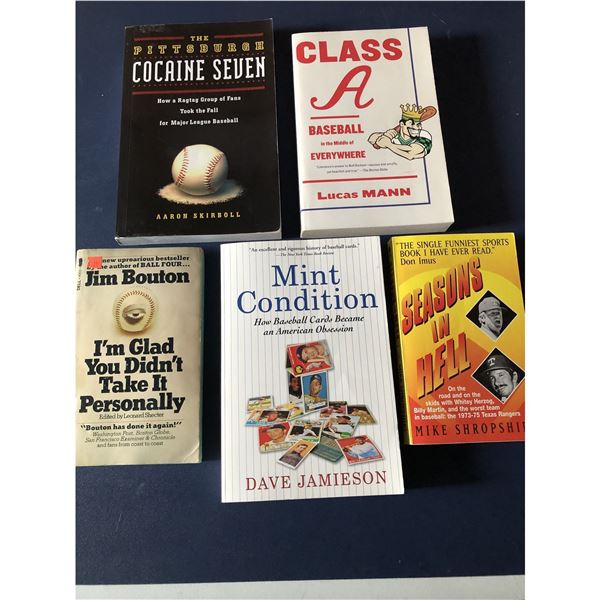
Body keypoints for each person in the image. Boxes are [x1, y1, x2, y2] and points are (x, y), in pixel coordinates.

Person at [368, 104, 437, 161]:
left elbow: (410, 154)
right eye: (411, 123)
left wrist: (389, 145)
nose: (416, 128)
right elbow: (372, 138)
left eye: (418, 125)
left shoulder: (424, 135)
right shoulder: (394, 136)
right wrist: (387, 135)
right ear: (402, 124)